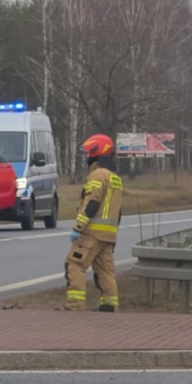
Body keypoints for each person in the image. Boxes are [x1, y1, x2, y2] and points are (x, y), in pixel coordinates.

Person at [65, 134, 123, 312]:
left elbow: (92, 202)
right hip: (107, 234)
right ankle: (109, 304)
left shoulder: (97, 176)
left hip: (92, 232)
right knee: (104, 270)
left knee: (74, 264)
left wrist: (79, 227)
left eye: (88, 153)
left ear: (95, 152)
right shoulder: (115, 178)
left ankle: (75, 305)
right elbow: (118, 211)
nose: (86, 157)